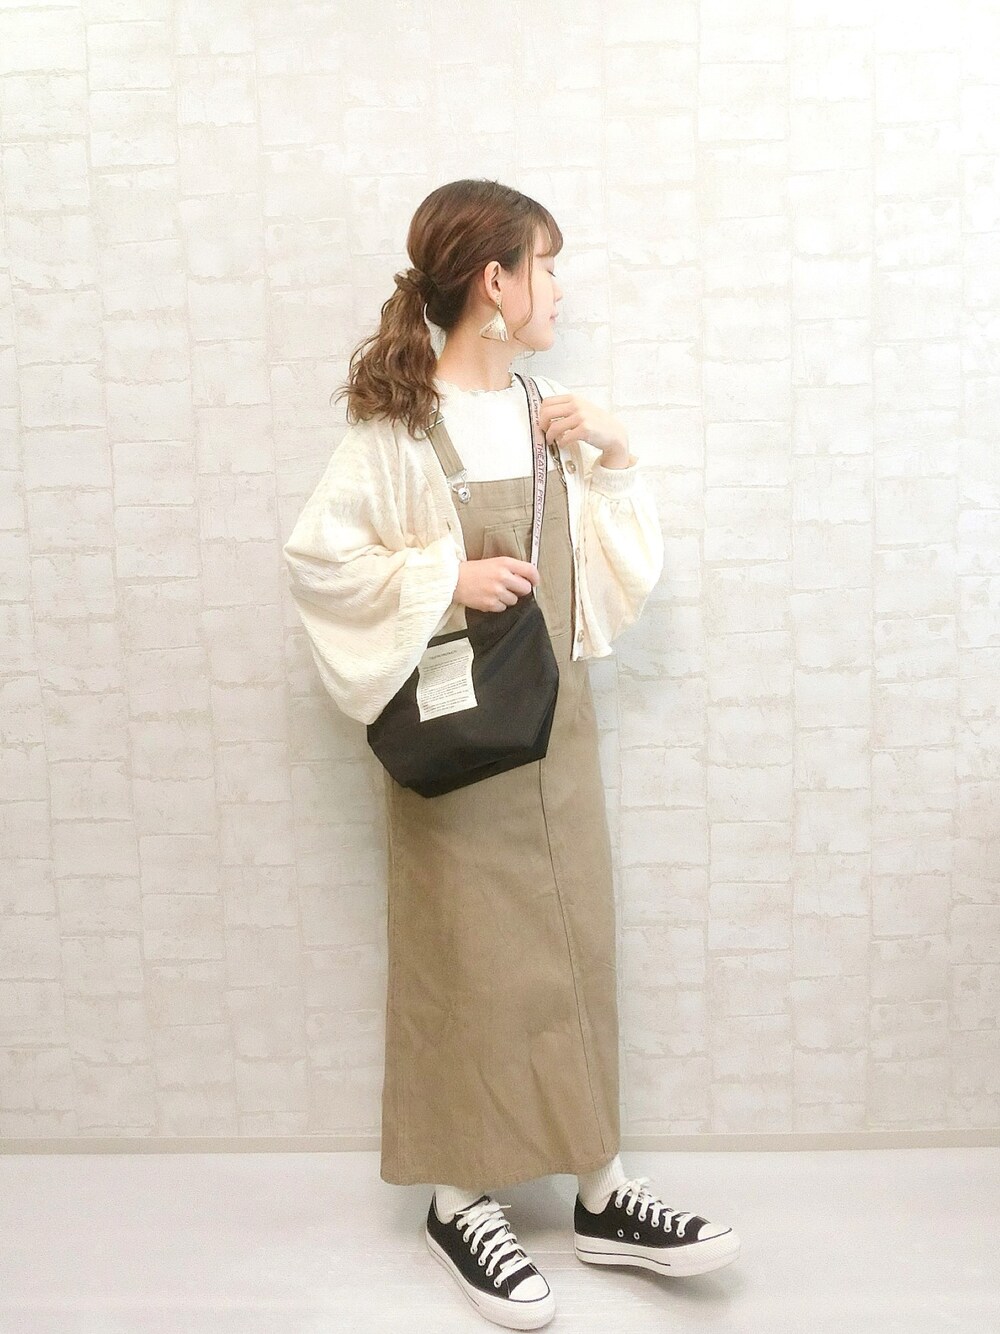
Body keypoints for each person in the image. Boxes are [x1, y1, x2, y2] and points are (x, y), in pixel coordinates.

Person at [281, 178, 740, 1330]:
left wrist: (614, 453)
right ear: (496, 281)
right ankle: (457, 1199)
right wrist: (447, 575)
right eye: (548, 264)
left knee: (575, 950)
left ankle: (601, 1188)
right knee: (463, 964)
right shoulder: (397, 429)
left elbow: (609, 583)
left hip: (558, 734)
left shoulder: (546, 415)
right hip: (456, 750)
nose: (559, 288)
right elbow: (321, 562)